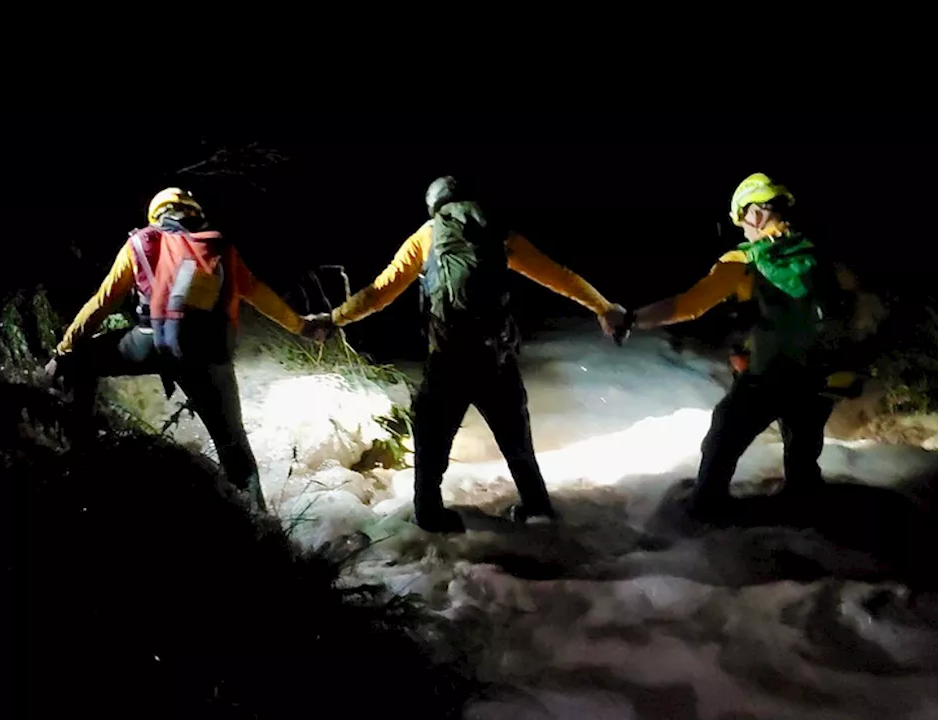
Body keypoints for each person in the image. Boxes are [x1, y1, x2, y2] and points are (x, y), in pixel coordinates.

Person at [313, 176, 627, 533]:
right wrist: (603, 307)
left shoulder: (427, 236)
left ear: (434, 206)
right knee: (516, 440)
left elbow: (379, 292)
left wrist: (334, 318)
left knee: (431, 441)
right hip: (497, 358)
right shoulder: (497, 232)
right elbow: (560, 276)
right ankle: (538, 510)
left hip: (448, 359)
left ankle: (430, 516)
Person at [44, 187, 329, 513]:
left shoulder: (140, 244)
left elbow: (102, 303)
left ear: (156, 214)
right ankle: (259, 527)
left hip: (150, 343)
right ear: (194, 213)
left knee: (81, 361)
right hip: (207, 357)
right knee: (233, 447)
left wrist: (63, 351)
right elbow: (259, 294)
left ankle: (81, 454)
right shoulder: (218, 247)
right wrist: (302, 326)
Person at [630, 173, 885, 521]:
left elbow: (688, 305)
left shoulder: (746, 258)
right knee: (802, 449)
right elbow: (852, 310)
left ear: (756, 214)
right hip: (819, 377)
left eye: (741, 221)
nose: (743, 230)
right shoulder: (821, 255)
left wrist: (632, 319)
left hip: (770, 377)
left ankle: (705, 509)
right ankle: (807, 507)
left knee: (722, 435)